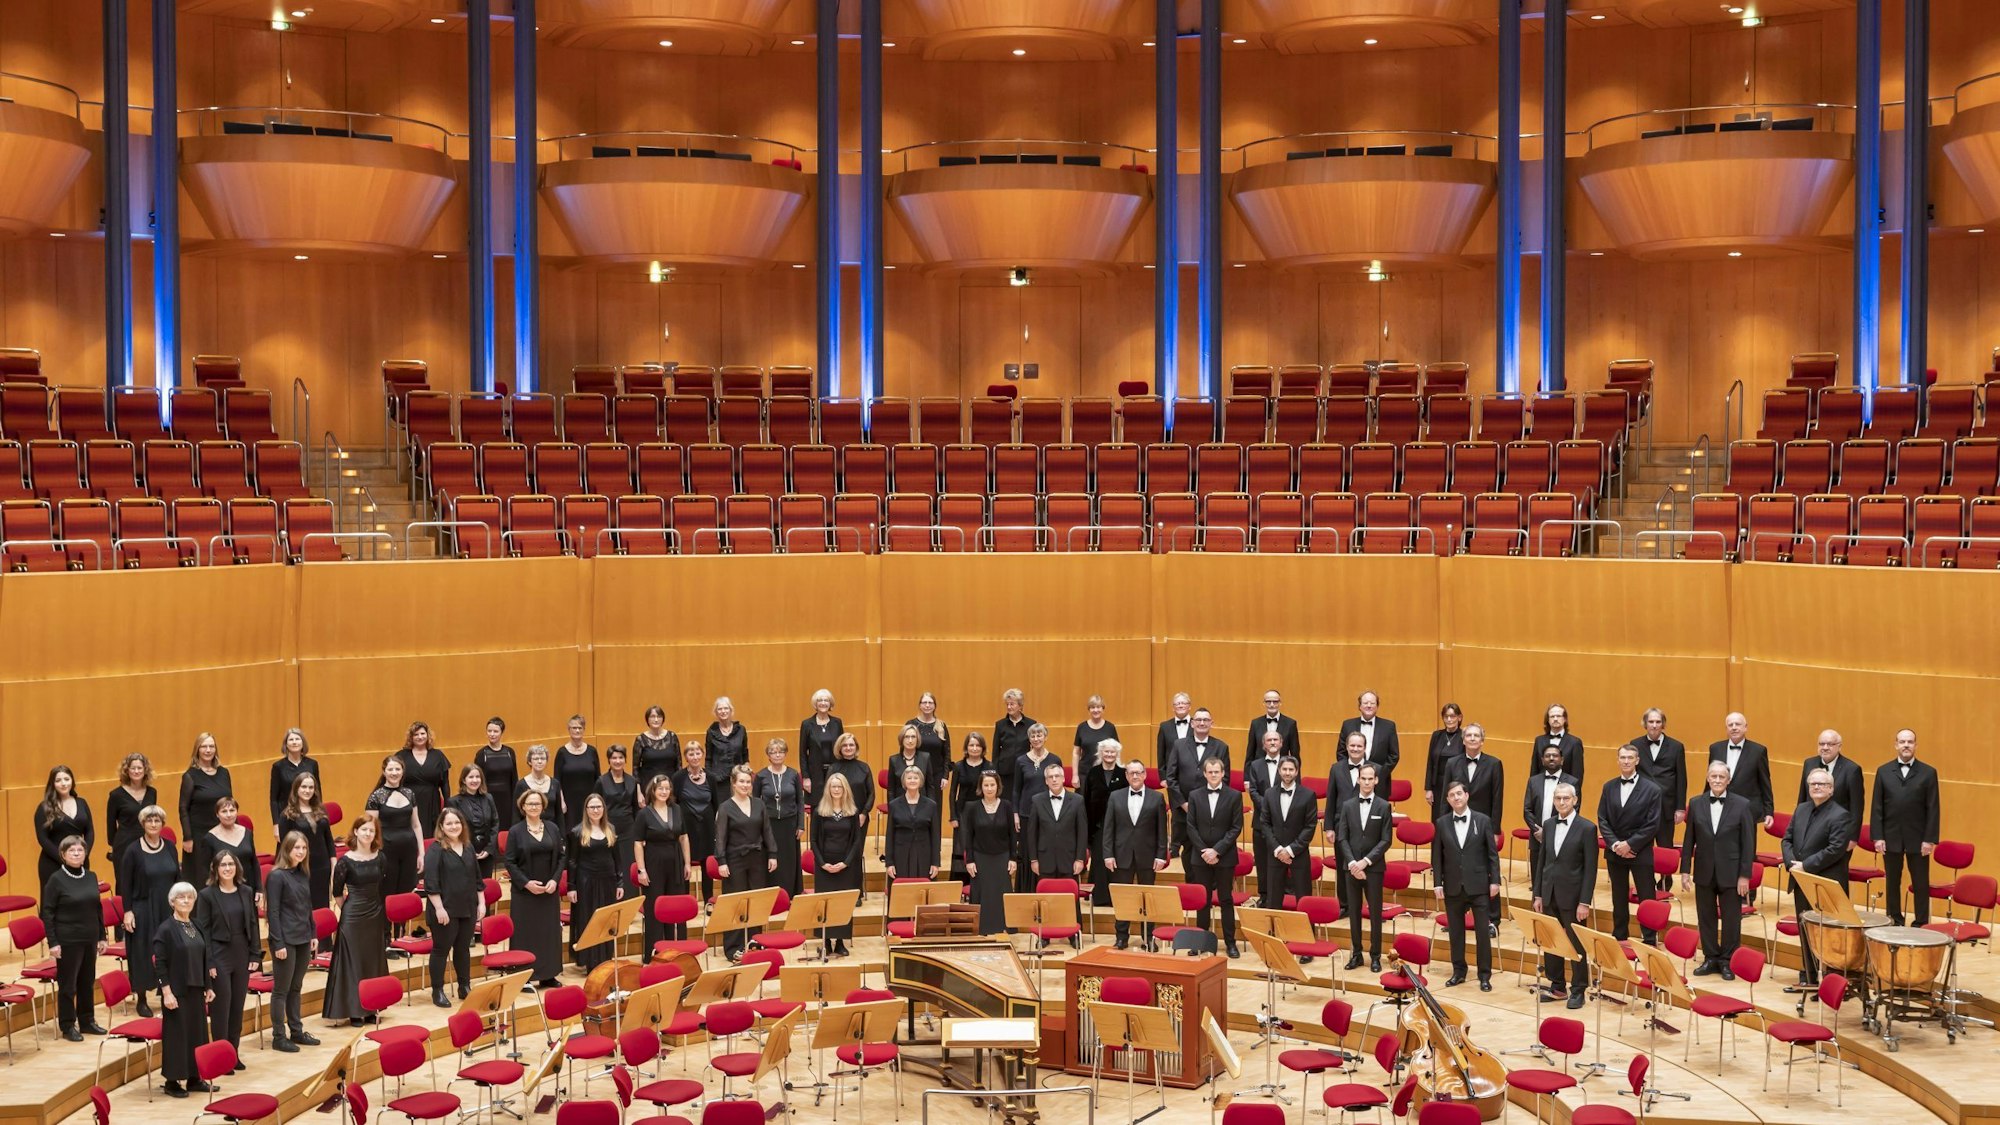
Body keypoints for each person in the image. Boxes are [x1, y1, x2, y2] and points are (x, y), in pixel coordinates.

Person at [1680, 762, 1756, 979]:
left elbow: (1748, 843)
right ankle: (1711, 957)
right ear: (1707, 777)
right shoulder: (1696, 803)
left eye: (1722, 777)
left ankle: (1727, 961)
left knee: (1731, 919)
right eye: (1713, 776)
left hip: (1731, 872)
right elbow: (1689, 839)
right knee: (1706, 917)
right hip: (1704, 870)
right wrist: (1685, 870)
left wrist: (1744, 875)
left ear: (1728, 780)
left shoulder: (1742, 805)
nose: (1717, 780)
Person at [1784, 764, 1852, 986]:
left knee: (1827, 932)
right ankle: (1810, 975)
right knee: (1805, 927)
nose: (1816, 787)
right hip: (1801, 879)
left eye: (1822, 784)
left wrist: (1806, 865)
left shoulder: (1841, 815)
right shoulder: (1801, 809)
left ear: (1831, 789)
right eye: (1813, 784)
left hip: (1825, 883)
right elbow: (1787, 839)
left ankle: (1830, 979)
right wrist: (1792, 865)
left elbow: (1835, 849)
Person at [1531, 782, 1597, 1009]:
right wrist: (1538, 894)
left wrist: (1584, 902)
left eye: (1566, 798)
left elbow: (1590, 869)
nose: (1561, 802)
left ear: (1575, 800)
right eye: (1558, 798)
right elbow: (1542, 861)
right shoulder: (1548, 825)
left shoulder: (1587, 828)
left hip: (1574, 897)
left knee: (1576, 944)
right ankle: (1557, 986)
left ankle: (1578, 989)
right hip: (1549, 893)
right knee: (1552, 943)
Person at [1431, 782, 1499, 990]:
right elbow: (1437, 856)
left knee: (1482, 933)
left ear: (1467, 795)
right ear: (1448, 800)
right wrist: (1437, 883)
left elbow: (1492, 854)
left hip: (1478, 885)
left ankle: (1484, 975)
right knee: (1456, 933)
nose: (1456, 797)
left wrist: (1495, 880)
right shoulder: (1441, 823)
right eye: (1452, 795)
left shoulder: (1483, 820)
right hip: (1453, 885)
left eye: (1459, 793)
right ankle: (1459, 971)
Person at [323, 816, 389, 1024]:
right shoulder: (345, 861)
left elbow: (382, 885)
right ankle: (354, 1010)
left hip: (374, 913)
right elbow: (337, 893)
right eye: (364, 829)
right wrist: (350, 911)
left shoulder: (380, 857)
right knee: (353, 962)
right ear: (356, 832)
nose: (368, 833)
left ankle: (370, 1008)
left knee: (371, 960)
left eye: (372, 830)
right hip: (352, 917)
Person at [40, 834, 106, 1041]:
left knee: (87, 981)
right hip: (68, 939)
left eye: (80, 850)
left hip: (90, 937)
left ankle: (87, 1021)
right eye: (72, 851)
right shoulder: (56, 879)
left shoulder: (91, 876)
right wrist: (53, 942)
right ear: (63, 854)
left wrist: (102, 936)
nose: (77, 854)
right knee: (68, 985)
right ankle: (68, 1025)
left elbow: (97, 908)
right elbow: (47, 912)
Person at [1872, 728, 1941, 927]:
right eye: (1902, 742)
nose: (1906, 745)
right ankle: (1894, 919)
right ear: (1896, 745)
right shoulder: (1883, 771)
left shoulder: (1928, 772)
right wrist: (1878, 836)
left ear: (1916, 745)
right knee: (1892, 882)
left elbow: (1933, 808)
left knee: (1920, 883)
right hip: (1890, 836)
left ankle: (1921, 922)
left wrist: (1929, 839)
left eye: (1910, 742)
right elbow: (1877, 807)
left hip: (1919, 838)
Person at [1442, 724, 1505, 934]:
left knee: (1486, 870)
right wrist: (1442, 825)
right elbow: (1445, 795)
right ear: (1463, 740)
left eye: (1476, 735)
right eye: (1468, 735)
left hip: (1483, 825)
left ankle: (1492, 920)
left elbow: (1497, 798)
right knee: (1457, 868)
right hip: (1456, 823)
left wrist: (1495, 830)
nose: (1471, 738)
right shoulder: (1452, 763)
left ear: (1482, 740)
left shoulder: (1494, 764)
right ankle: (1456, 918)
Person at [117, 805, 179, 1018]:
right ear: (143, 824)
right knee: (143, 953)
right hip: (142, 908)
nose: (153, 824)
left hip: (167, 908)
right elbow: (125, 884)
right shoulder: (133, 850)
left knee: (168, 951)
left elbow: (177, 878)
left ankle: (166, 992)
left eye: (157, 820)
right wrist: (128, 911)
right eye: (149, 821)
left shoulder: (170, 847)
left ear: (163, 824)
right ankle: (142, 999)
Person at [196, 850, 258, 1060]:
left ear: (237, 867)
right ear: (215, 869)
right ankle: (221, 1057)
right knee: (221, 1008)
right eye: (223, 865)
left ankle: (233, 1054)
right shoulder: (207, 895)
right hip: (219, 954)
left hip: (241, 953)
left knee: (237, 1007)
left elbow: (253, 923)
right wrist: (209, 962)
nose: (227, 868)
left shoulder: (246, 891)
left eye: (231, 864)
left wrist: (255, 954)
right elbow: (203, 931)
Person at [1598, 745, 1663, 943]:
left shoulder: (1652, 789)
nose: (1626, 761)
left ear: (1637, 760)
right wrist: (1616, 844)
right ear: (1618, 760)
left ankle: (1649, 939)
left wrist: (1630, 845)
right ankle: (1620, 935)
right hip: (1615, 851)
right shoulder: (1608, 787)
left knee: (1646, 896)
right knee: (1618, 896)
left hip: (1640, 851)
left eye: (1630, 758)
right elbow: (1602, 819)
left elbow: (1652, 824)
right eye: (1623, 757)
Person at [1102, 759, 1169, 950]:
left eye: (1138, 772)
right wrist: (1108, 854)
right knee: (1123, 898)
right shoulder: (1115, 796)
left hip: (1148, 856)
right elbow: (1109, 828)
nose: (1135, 776)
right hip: (1121, 855)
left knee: (1147, 898)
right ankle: (1121, 937)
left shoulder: (1157, 798)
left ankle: (1148, 938)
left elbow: (1161, 830)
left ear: (1145, 775)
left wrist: (1161, 855)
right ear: (1126, 775)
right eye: (1131, 772)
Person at [153, 882, 213, 1098]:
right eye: (181, 897)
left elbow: (204, 957)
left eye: (189, 897)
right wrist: (167, 992)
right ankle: (172, 1081)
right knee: (177, 1036)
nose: (186, 901)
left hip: (196, 988)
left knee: (197, 1034)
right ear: (172, 902)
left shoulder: (196, 925)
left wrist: (208, 985)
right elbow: (160, 963)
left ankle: (194, 1078)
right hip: (176, 991)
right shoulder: (166, 929)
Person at [265, 831, 321, 1052]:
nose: (301, 852)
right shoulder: (277, 876)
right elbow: (273, 912)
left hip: (303, 937)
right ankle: (279, 1036)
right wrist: (278, 943)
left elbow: (307, 906)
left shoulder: (302, 873)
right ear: (287, 849)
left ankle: (296, 1031)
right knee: (282, 990)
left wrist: (313, 933)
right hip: (285, 940)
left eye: (304, 848)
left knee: (296, 988)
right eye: (296, 847)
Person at [1333, 762, 1392, 971]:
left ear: (1376, 781)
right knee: (1354, 912)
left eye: (1370, 779)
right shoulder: (1348, 805)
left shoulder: (1384, 806)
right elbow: (1342, 837)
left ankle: (1375, 956)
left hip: (1373, 868)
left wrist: (1365, 861)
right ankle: (1356, 954)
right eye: (1363, 778)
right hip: (1351, 867)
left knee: (1375, 913)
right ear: (1358, 780)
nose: (1366, 782)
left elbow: (1386, 840)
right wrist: (1352, 863)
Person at [714, 766, 776, 961]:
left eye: (748, 782)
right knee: (736, 903)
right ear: (733, 783)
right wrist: (721, 861)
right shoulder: (725, 807)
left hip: (757, 858)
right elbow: (720, 837)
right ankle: (734, 946)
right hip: (734, 860)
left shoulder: (759, 804)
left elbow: (767, 830)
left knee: (756, 902)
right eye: (741, 781)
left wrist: (772, 853)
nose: (745, 785)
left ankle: (755, 942)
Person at [504, 791, 566, 988]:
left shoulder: (552, 828)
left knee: (549, 933)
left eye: (537, 804)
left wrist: (555, 880)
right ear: (523, 807)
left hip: (548, 891)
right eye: (530, 804)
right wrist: (526, 883)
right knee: (526, 934)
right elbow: (509, 862)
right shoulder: (515, 831)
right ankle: (524, 977)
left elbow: (562, 857)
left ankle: (549, 974)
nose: (533, 807)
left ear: (543, 806)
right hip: (525, 893)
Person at [425, 807, 485, 1005]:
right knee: (441, 949)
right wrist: (439, 908)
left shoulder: (468, 847)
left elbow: (477, 878)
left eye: (457, 822)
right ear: (441, 826)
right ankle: (437, 991)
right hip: (445, 909)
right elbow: (431, 882)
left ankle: (464, 986)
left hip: (468, 907)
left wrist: (481, 903)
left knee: (463, 949)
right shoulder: (436, 850)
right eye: (449, 823)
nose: (453, 826)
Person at [1185, 757, 1244, 957]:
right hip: (1201, 856)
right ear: (1204, 774)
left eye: (1216, 772)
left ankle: (1230, 943)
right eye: (1210, 772)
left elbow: (1236, 827)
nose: (1213, 775)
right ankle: (1200, 941)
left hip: (1224, 857)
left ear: (1223, 773)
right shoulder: (1194, 795)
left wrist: (1216, 851)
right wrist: (1205, 851)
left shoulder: (1234, 795)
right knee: (1203, 901)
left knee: (1226, 899)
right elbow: (1191, 826)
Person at [634, 775, 692, 951]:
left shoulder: (676, 809)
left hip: (675, 863)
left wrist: (687, 863)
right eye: (660, 788)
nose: (664, 792)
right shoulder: (644, 814)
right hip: (653, 863)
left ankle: (678, 950)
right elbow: (638, 843)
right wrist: (641, 870)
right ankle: (655, 952)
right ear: (653, 790)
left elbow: (684, 837)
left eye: (667, 788)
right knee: (655, 907)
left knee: (676, 907)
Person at [568, 793, 625, 971]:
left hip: (608, 881)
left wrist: (620, 882)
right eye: (592, 807)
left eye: (598, 807)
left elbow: (617, 858)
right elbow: (572, 861)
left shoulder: (611, 829)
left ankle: (605, 960)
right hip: (586, 882)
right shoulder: (577, 832)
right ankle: (591, 962)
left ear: (603, 809)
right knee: (589, 920)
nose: (595, 810)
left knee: (606, 921)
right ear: (586, 810)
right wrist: (571, 887)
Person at [811, 773, 865, 957]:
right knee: (825, 905)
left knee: (843, 904)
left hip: (845, 865)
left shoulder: (852, 812)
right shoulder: (819, 811)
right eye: (833, 786)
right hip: (824, 865)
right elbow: (813, 840)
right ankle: (825, 941)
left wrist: (846, 863)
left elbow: (856, 840)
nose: (836, 790)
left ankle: (840, 942)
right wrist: (822, 863)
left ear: (845, 789)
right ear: (828, 789)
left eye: (839, 786)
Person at [1166, 707, 1231, 861]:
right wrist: (1183, 803)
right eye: (1198, 720)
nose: (1202, 723)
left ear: (1211, 723)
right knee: (1187, 851)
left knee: (1206, 849)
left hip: (1209, 810)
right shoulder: (1179, 745)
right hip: (1183, 809)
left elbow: (1225, 778)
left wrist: (1204, 805)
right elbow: (1171, 777)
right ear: (1192, 723)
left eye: (1206, 720)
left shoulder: (1221, 747)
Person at [961, 770, 1016, 936]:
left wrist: (1013, 858)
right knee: (982, 893)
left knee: (1001, 893)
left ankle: (1003, 929)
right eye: (986, 785)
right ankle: (982, 929)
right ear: (981, 787)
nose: (990, 788)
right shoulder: (972, 807)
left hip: (1002, 857)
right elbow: (968, 836)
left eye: (992, 785)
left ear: (998, 786)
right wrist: (969, 860)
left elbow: (1012, 835)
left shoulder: (1007, 806)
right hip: (980, 858)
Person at [1259, 757, 1318, 910]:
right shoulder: (1269, 794)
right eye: (1284, 769)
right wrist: (1278, 849)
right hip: (1275, 853)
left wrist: (1291, 850)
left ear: (1296, 772)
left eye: (1291, 769)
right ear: (1279, 771)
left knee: (1304, 899)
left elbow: (1310, 826)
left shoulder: (1308, 795)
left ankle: (1305, 927)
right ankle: (1273, 926)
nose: (1287, 772)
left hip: (1299, 854)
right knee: (1273, 900)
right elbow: (1264, 823)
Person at [1521, 742, 1577, 898]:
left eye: (1555, 755)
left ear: (1562, 760)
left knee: (1557, 878)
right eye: (1547, 756)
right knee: (1537, 880)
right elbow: (1527, 810)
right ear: (1542, 760)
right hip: (1537, 837)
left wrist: (1549, 832)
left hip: (1561, 837)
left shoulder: (1572, 782)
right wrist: (1537, 831)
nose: (1551, 758)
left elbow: (1573, 810)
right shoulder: (1533, 781)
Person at [1627, 709, 1687, 848]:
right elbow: (1631, 774)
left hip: (1666, 807)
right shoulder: (1635, 744)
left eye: (1658, 722)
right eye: (1651, 722)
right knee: (1640, 847)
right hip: (1641, 804)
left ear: (1663, 724)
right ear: (1645, 724)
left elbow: (1681, 779)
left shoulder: (1676, 746)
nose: (1654, 725)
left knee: (1665, 847)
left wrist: (1680, 808)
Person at [276, 772, 336, 909]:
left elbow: (328, 839)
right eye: (303, 787)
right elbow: (285, 846)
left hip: (322, 866)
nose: (307, 791)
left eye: (311, 787)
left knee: (322, 905)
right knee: (304, 906)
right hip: (301, 867)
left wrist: (333, 862)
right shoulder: (287, 815)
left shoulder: (321, 810)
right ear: (296, 788)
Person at [178, 733, 233, 881]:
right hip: (199, 835)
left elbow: (229, 803)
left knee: (223, 872)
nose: (208, 750)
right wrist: (187, 837)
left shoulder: (224, 773)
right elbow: (183, 808)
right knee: (202, 877)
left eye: (211, 746)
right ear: (197, 749)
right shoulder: (190, 775)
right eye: (204, 746)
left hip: (222, 832)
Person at [366, 756, 424, 897]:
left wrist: (421, 853)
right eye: (390, 769)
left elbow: (416, 825)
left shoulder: (409, 794)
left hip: (409, 850)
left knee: (406, 891)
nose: (394, 773)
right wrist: (372, 854)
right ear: (384, 772)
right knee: (387, 891)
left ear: (402, 771)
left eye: (397, 769)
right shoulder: (376, 797)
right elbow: (370, 829)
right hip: (386, 850)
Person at [1012, 725, 1060, 891]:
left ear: (1045, 737)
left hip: (1048, 814)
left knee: (1045, 850)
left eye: (1039, 735)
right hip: (1026, 814)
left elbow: (1058, 787)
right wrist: (1016, 813)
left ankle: (1046, 888)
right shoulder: (1021, 761)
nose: (1036, 738)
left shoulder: (1055, 760)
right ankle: (1026, 891)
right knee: (1027, 853)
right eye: (1033, 736)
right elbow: (1016, 789)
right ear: (1029, 739)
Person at [1796, 729, 1866, 844]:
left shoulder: (1852, 769)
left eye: (1830, 744)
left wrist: (1852, 837)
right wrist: (1798, 826)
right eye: (1821, 744)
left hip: (1838, 832)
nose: (1825, 747)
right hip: (1810, 830)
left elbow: (1856, 808)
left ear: (1839, 746)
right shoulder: (1809, 763)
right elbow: (1802, 798)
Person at [1244, 728, 1289, 902]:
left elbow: (1294, 789)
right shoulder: (1255, 765)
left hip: (1283, 823)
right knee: (1262, 862)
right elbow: (1253, 790)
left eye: (1275, 740)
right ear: (1263, 745)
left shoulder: (1289, 764)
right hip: (1260, 821)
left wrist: (1275, 809)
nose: (1272, 743)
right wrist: (1269, 806)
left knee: (1280, 862)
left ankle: (1280, 896)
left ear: (1281, 743)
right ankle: (1264, 896)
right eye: (1269, 740)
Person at [1709, 712, 1775, 829]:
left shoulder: (1758, 751)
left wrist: (1769, 811)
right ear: (1726, 728)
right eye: (1730, 725)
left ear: (1745, 727)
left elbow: (1765, 783)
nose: (1734, 727)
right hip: (1720, 807)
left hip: (1748, 810)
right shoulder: (1715, 748)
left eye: (1737, 724)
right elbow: (1710, 779)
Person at [1081, 738, 1126, 908]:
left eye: (1112, 752)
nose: (1109, 754)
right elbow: (1086, 799)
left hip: (1119, 826)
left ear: (1117, 754)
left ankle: (1116, 898)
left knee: (1117, 861)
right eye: (1106, 751)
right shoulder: (1093, 773)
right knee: (1099, 861)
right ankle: (1100, 897)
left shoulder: (1123, 773)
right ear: (1100, 753)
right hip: (1097, 825)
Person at [755, 740, 804, 896]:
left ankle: (789, 893)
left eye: (780, 752)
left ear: (785, 754)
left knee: (789, 860)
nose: (777, 755)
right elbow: (755, 803)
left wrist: (801, 825)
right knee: (771, 858)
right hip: (769, 824)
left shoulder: (793, 774)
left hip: (790, 824)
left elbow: (800, 801)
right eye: (773, 752)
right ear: (768, 755)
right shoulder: (761, 776)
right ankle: (771, 894)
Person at [193, 797, 262, 906]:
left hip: (248, 888)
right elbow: (205, 871)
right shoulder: (209, 838)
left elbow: (254, 862)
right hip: (223, 892)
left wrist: (259, 889)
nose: (229, 815)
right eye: (224, 811)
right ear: (217, 814)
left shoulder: (247, 833)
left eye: (232, 810)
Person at [674, 741, 719, 906]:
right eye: (691, 754)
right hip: (686, 827)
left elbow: (716, 804)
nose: (695, 757)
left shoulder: (711, 777)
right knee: (684, 864)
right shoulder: (678, 777)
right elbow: (674, 804)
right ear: (686, 757)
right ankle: (685, 903)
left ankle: (708, 902)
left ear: (703, 755)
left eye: (698, 753)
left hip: (707, 827)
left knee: (707, 865)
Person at [35, 764, 94, 889]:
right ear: (52, 784)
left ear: (72, 781)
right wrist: (65, 859)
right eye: (58, 780)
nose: (63, 783)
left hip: (79, 861)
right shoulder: (44, 807)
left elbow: (89, 832)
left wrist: (83, 855)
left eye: (66, 779)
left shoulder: (82, 802)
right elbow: (42, 838)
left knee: (81, 896)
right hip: (53, 862)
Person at [885, 766, 944, 883]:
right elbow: (890, 835)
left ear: (921, 781)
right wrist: (889, 863)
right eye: (909, 778)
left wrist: (935, 862)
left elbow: (935, 836)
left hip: (924, 855)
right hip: (900, 855)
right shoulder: (894, 805)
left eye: (915, 778)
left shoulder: (931, 805)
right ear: (904, 781)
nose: (912, 780)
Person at [946, 733, 990, 883]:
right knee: (962, 846)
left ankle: (980, 881)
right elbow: (953, 792)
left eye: (978, 745)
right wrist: (953, 816)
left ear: (983, 748)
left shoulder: (989, 766)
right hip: (962, 812)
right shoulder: (959, 766)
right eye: (971, 745)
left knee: (980, 844)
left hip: (982, 811)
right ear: (966, 747)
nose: (975, 748)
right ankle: (961, 884)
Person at [396, 721, 451, 840]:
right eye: (416, 734)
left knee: (432, 835)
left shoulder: (438, 755)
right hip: (409, 801)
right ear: (411, 737)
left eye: (422, 733)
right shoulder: (401, 756)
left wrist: (447, 805)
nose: (420, 737)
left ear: (428, 735)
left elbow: (445, 783)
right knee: (411, 834)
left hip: (432, 802)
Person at [106, 752, 157, 868]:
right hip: (124, 844)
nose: (136, 771)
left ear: (145, 770)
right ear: (127, 771)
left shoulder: (152, 792)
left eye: (139, 768)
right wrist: (114, 846)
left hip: (147, 842)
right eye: (133, 768)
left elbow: (153, 818)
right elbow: (111, 824)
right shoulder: (116, 795)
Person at [595, 745, 641, 872]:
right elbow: (595, 807)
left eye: (621, 757)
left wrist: (638, 832)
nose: (617, 761)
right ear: (609, 760)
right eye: (614, 758)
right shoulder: (601, 781)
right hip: (608, 828)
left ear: (625, 760)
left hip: (628, 829)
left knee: (628, 864)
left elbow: (636, 808)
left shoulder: (632, 781)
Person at [451, 765, 500, 879]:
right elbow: (453, 830)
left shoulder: (488, 798)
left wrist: (489, 849)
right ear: (464, 780)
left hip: (486, 852)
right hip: (465, 852)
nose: (475, 780)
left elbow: (495, 823)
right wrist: (468, 850)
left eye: (478, 777)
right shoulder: (454, 802)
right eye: (471, 777)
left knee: (486, 884)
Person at [1338, 691, 1400, 779]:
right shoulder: (1347, 725)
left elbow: (1394, 755)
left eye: (1372, 703)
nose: (1369, 705)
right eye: (1365, 703)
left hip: (1379, 779)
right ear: (1359, 706)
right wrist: (1349, 773)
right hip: (1351, 778)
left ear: (1377, 706)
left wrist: (1380, 773)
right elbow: (1341, 753)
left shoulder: (1389, 726)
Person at [557, 716, 602, 833]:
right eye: (574, 728)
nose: (577, 730)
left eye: (580, 728)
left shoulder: (592, 751)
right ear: (569, 730)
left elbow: (598, 778)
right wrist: (561, 801)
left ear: (584, 730)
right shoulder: (562, 752)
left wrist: (597, 802)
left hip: (589, 802)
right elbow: (557, 781)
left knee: (590, 831)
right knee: (571, 833)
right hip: (569, 803)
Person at [268, 728, 319, 830]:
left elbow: (318, 792)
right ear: (286, 744)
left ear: (303, 743)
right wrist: (276, 824)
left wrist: (318, 814)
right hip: (287, 816)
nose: (294, 742)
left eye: (297, 739)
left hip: (309, 814)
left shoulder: (312, 764)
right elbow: (274, 799)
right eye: (291, 740)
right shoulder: (278, 767)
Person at [476, 718, 520, 833]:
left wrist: (516, 800)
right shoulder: (482, 754)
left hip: (507, 799)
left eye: (495, 731)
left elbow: (514, 778)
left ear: (502, 732)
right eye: (489, 731)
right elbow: (478, 780)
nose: (492, 734)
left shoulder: (510, 752)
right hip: (488, 799)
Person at [992, 690, 1037, 801]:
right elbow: (995, 751)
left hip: (1024, 770)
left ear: (1020, 706)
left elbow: (1035, 748)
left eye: (1012, 704)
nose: (1009, 707)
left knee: (1023, 801)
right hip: (1005, 772)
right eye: (1007, 704)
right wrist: (995, 772)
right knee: (1006, 802)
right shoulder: (1000, 725)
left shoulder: (1031, 724)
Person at [799, 690, 843, 796]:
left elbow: (841, 748)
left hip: (835, 772)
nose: (823, 703)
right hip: (815, 774)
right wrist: (806, 777)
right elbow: (802, 753)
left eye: (826, 700)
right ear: (815, 703)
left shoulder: (837, 723)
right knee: (817, 804)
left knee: (835, 802)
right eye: (820, 700)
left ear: (830, 703)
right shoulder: (807, 724)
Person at [888, 725, 943, 809]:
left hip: (922, 806)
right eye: (907, 737)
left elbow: (930, 786)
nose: (910, 740)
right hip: (900, 807)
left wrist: (930, 808)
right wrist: (892, 809)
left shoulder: (925, 758)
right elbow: (891, 790)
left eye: (913, 737)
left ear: (917, 739)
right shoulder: (894, 760)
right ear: (902, 739)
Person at [1422, 704, 1466, 810]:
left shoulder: (1464, 736)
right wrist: (1428, 789)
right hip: (1438, 786)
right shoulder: (1437, 735)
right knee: (1438, 816)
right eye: (1446, 716)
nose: (1449, 719)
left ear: (1459, 717)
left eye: (1452, 716)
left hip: (1456, 785)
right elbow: (1430, 762)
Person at [1533, 703, 1586, 791]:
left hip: (1564, 793)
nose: (1555, 719)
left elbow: (1577, 774)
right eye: (1552, 716)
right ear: (1548, 720)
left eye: (1558, 716)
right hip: (1542, 791)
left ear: (1565, 719)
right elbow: (1534, 770)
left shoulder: (1574, 743)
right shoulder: (1539, 741)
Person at [1247, 690, 1302, 762]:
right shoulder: (1255, 723)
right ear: (1264, 703)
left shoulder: (1290, 724)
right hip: (1259, 768)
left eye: (1275, 702)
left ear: (1280, 703)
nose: (1272, 704)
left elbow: (1295, 754)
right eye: (1268, 701)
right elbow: (1250, 753)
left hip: (1281, 767)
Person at [635, 705, 681, 789]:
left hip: (670, 786)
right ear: (647, 719)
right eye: (652, 717)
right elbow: (635, 768)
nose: (656, 720)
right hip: (648, 787)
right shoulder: (640, 739)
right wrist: (638, 790)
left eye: (659, 716)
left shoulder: (672, 736)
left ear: (663, 719)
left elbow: (679, 765)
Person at [1072, 695, 1118, 778]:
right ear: (1089, 710)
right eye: (1092, 707)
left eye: (1098, 707)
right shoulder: (1082, 727)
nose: (1095, 710)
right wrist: (1075, 775)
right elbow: (1076, 752)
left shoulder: (1110, 728)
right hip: (1085, 774)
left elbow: (1116, 751)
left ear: (1103, 709)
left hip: (1105, 773)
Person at [1328, 731, 1375, 808]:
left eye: (1359, 746)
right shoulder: (1336, 769)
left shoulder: (1376, 769)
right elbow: (1331, 800)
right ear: (1347, 747)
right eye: (1352, 745)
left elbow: (1381, 803)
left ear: (1365, 748)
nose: (1355, 749)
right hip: (1341, 815)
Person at [515, 744, 559, 823]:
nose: (539, 761)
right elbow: (516, 814)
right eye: (536, 759)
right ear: (529, 761)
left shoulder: (555, 783)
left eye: (543, 758)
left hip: (552, 828)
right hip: (529, 828)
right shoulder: (521, 785)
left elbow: (559, 814)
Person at [907, 692, 951, 768]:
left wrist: (945, 774)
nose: (927, 705)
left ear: (934, 706)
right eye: (924, 702)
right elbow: (904, 750)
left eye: (930, 703)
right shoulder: (911, 724)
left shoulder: (941, 726)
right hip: (916, 771)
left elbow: (947, 753)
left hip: (937, 772)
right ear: (920, 705)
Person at [706, 698, 749, 776]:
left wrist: (746, 767)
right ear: (716, 712)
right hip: (718, 777)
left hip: (738, 776)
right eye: (720, 709)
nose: (723, 711)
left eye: (726, 708)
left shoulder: (741, 730)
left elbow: (745, 753)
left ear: (731, 710)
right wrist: (709, 777)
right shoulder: (711, 732)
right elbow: (709, 758)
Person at [1156, 692, 1193, 773]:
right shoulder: (1164, 727)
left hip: (1193, 773)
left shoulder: (1197, 724)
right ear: (1173, 708)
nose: (1180, 706)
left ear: (1189, 706)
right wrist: (1163, 777)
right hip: (1171, 774)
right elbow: (1161, 754)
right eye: (1177, 703)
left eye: (1184, 703)